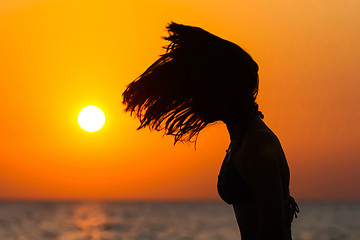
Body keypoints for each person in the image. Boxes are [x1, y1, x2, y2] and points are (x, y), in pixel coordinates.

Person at [122, 22, 299, 239]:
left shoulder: (257, 144)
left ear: (224, 92)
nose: (198, 101)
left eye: (205, 91)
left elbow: (274, 229)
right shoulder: (242, 139)